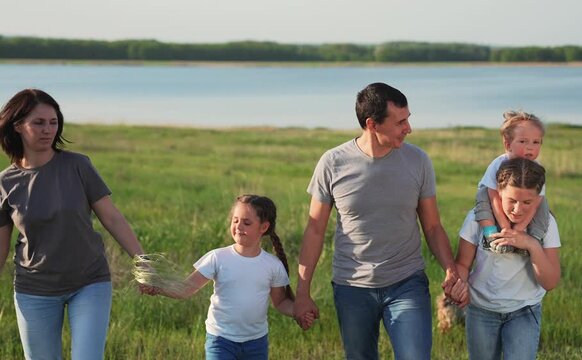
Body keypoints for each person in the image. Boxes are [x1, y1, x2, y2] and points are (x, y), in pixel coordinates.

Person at [293, 82, 461, 359]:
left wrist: (450, 269)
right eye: (400, 122)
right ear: (372, 124)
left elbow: (432, 226)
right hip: (352, 287)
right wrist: (302, 293)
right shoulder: (332, 163)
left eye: (408, 119)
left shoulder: (418, 161)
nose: (408, 128)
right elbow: (314, 230)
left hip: (407, 281)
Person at [0, 88, 146, 360]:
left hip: (89, 282)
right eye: (39, 123)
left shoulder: (78, 166)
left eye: (53, 122)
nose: (48, 130)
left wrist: (142, 261)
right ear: (18, 126)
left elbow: (112, 217)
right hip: (34, 289)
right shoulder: (5, 182)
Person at [140, 195, 313, 360]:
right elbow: (186, 289)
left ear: (264, 227)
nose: (238, 227)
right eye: (235, 220)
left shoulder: (272, 265)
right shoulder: (217, 258)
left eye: (246, 223)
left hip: (256, 343)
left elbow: (281, 302)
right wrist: (158, 288)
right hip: (220, 340)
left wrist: (299, 312)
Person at [452, 157, 561, 360]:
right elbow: (462, 264)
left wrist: (531, 244)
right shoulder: (478, 219)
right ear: (498, 193)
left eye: (527, 202)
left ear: (538, 199)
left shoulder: (546, 224)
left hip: (524, 310)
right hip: (481, 310)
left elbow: (551, 281)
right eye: (512, 201)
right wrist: (460, 285)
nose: (518, 210)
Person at [475, 111, 550, 255]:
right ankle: (491, 236)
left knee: (543, 203)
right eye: (523, 141)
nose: (530, 147)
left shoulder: (537, 170)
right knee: (482, 195)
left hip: (521, 206)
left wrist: (517, 231)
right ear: (508, 144)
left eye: (536, 142)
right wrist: (505, 229)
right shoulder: (498, 164)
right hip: (496, 198)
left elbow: (534, 204)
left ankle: (535, 238)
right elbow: (494, 198)